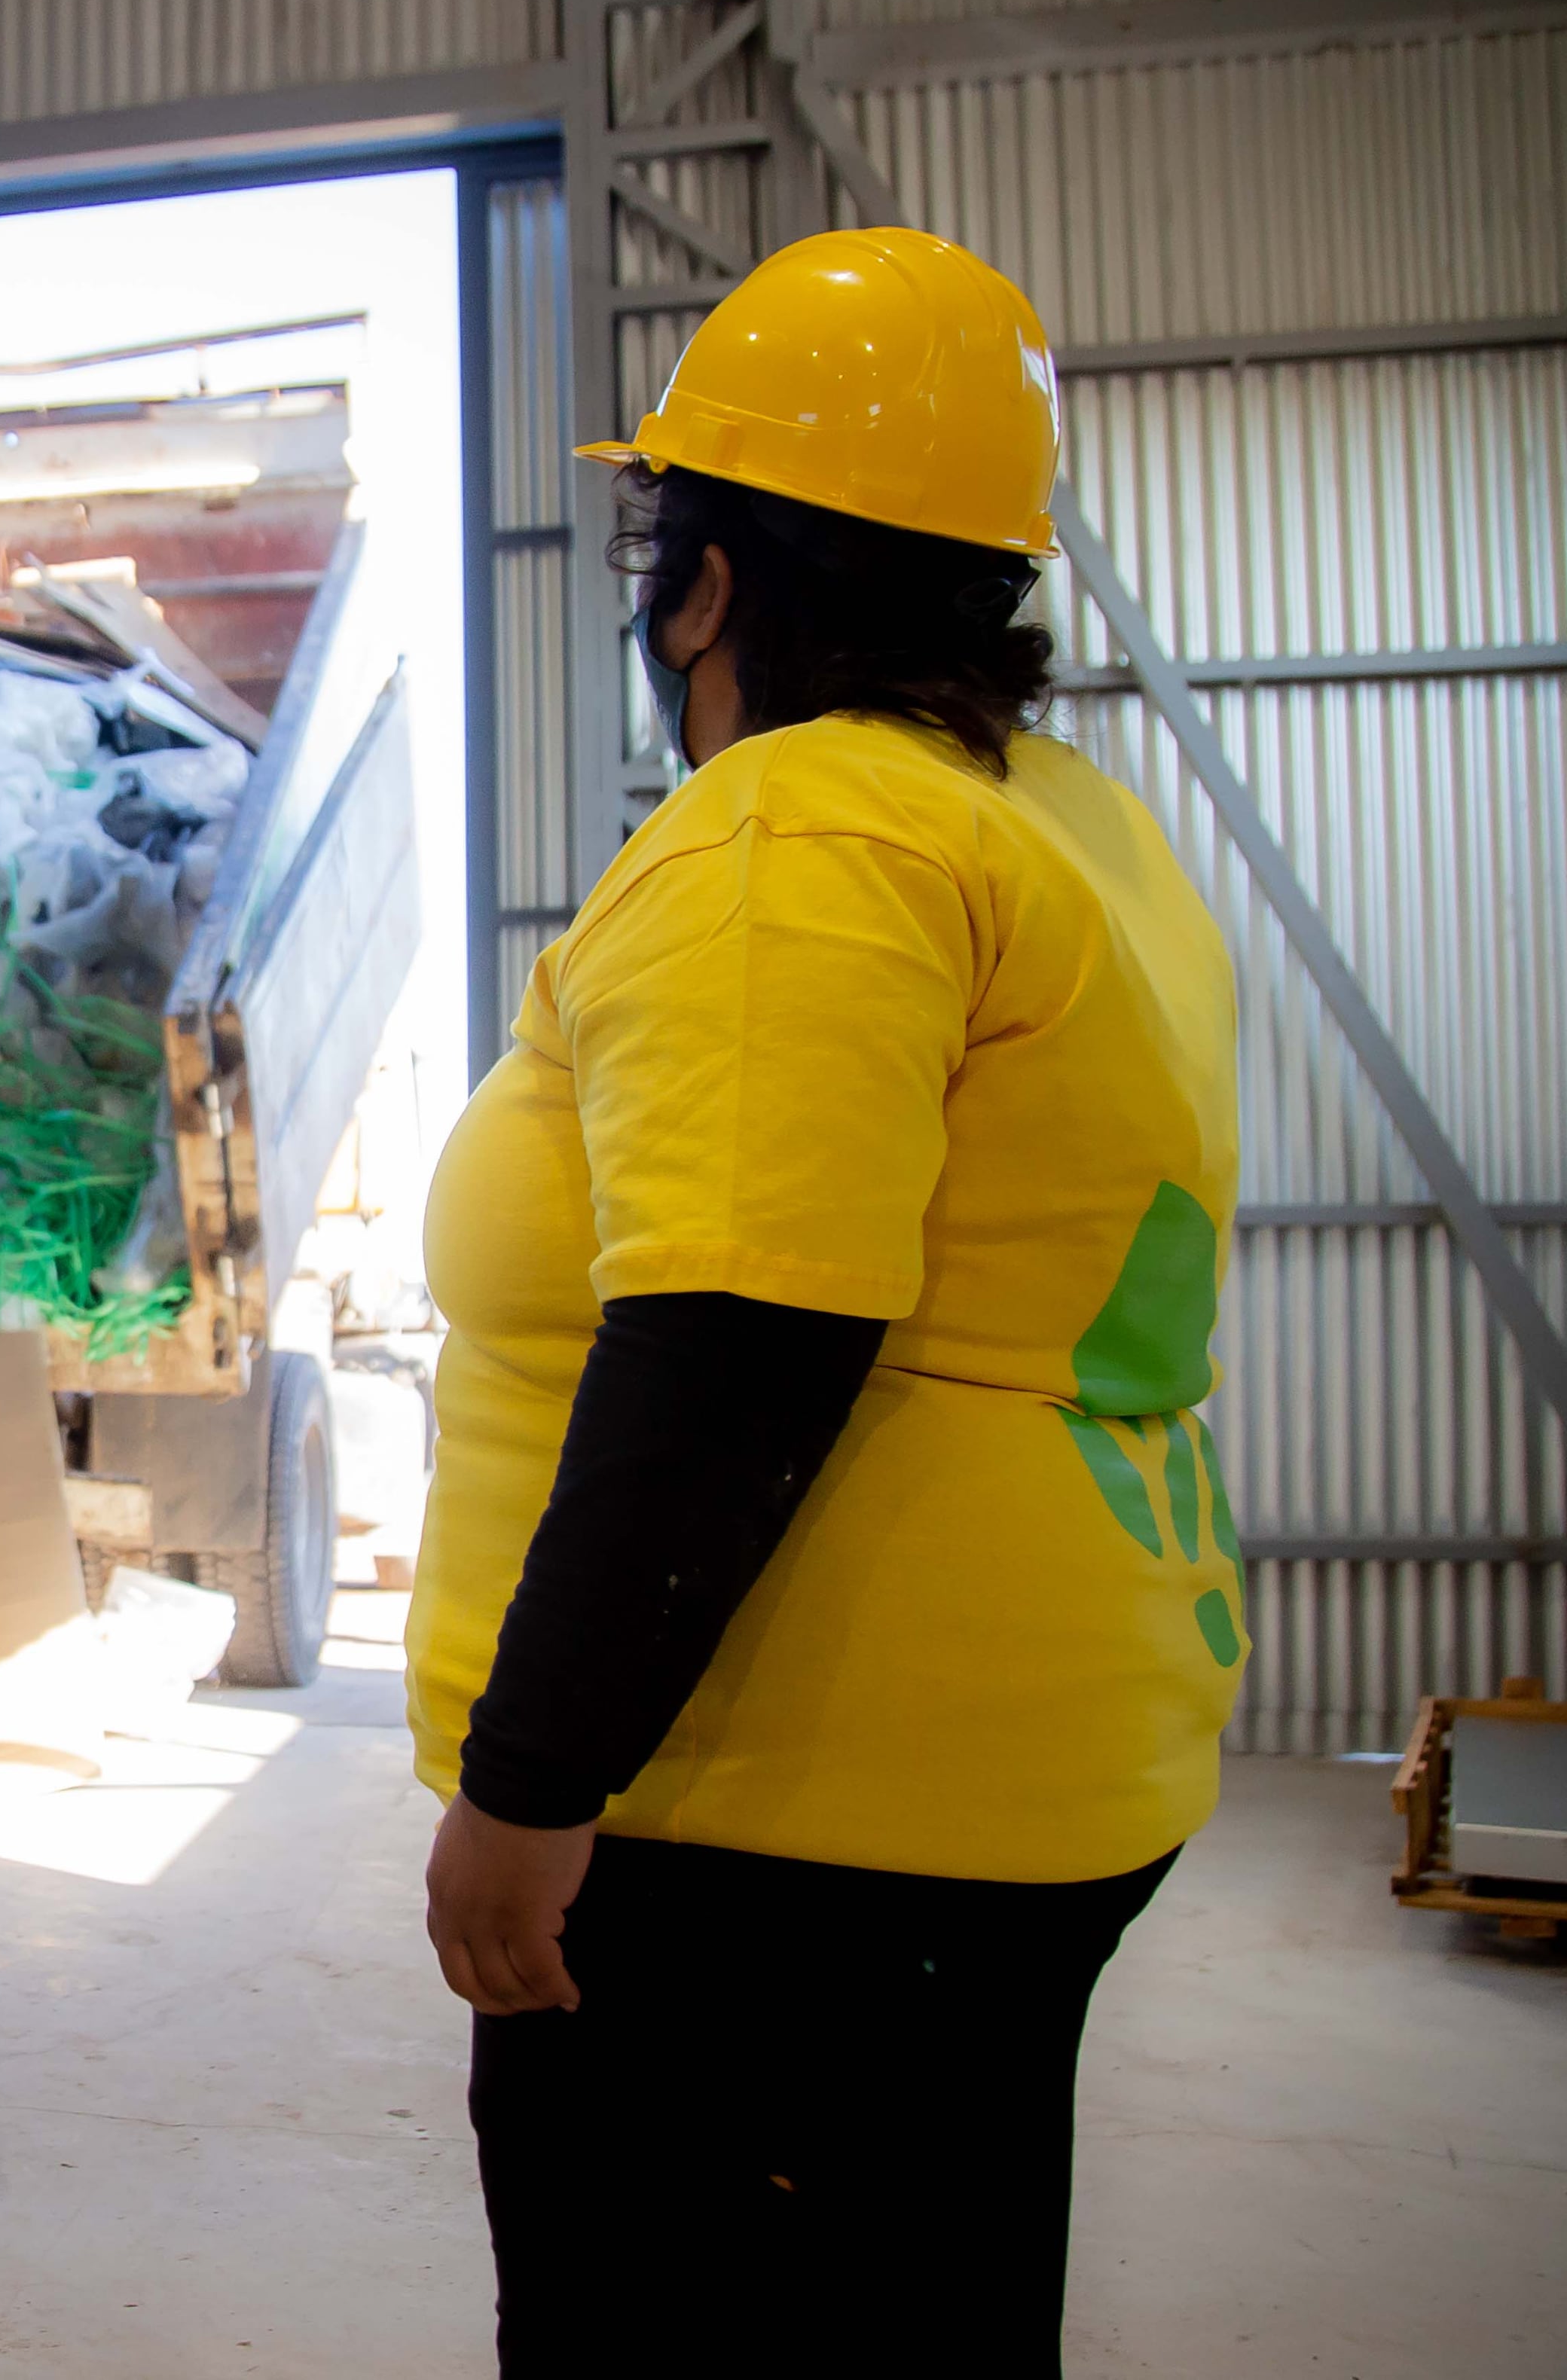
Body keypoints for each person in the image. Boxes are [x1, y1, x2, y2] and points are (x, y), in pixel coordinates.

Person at [407, 228, 1245, 2375]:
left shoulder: (802, 830)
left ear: (704, 583)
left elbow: (737, 1339)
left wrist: (527, 1785)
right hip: (1012, 1783)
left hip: (785, 1835)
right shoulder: (1051, 820)